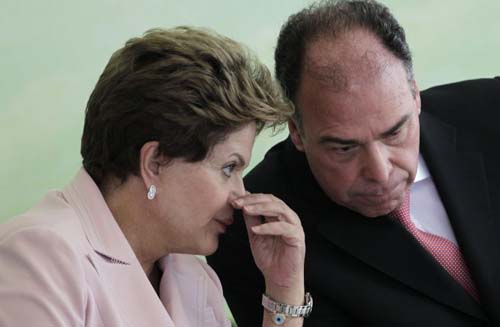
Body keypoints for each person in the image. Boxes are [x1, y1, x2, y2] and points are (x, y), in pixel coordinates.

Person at [208, 0, 500, 326]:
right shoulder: (253, 234)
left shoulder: (491, 113)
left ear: (414, 94)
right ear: (297, 131)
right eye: (344, 148)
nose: (380, 171)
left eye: (394, 133)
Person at [0, 27, 311, 327]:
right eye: (228, 168)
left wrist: (283, 293)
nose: (239, 195)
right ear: (154, 163)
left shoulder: (195, 279)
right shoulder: (38, 254)